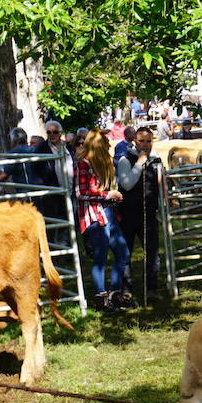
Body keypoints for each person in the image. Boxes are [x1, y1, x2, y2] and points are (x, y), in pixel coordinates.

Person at [74, 130, 132, 311]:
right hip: (94, 215)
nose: (109, 146)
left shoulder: (102, 164)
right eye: (106, 143)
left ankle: (114, 293)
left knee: (123, 253)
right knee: (100, 257)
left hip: (109, 213)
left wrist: (112, 196)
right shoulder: (83, 163)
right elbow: (80, 193)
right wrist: (108, 194)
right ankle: (102, 298)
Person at [115, 126, 164, 302]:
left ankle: (152, 287)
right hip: (128, 213)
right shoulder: (124, 160)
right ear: (134, 141)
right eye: (141, 141)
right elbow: (127, 184)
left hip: (149, 212)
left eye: (148, 141)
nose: (145, 144)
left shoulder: (157, 159)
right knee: (125, 252)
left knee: (152, 252)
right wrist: (139, 164)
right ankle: (126, 289)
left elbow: (160, 184)